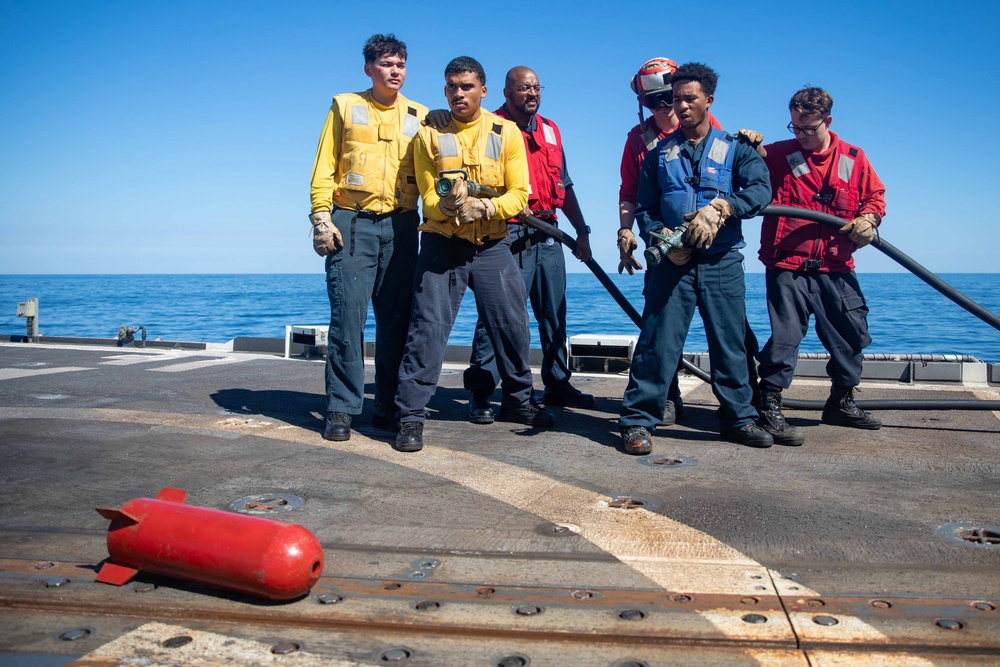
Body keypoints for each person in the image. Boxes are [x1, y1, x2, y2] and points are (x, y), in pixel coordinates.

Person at [393, 56, 555, 453]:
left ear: (482, 90)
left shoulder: (507, 132)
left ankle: (519, 402)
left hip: (494, 243)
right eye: (451, 86)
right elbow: (427, 195)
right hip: (442, 243)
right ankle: (410, 417)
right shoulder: (429, 132)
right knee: (428, 329)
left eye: (466, 86)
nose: (458, 93)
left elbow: (520, 192)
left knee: (512, 324)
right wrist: (444, 208)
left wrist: (485, 208)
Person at [619, 62, 773, 454]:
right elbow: (645, 209)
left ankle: (740, 417)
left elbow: (760, 191)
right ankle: (638, 422)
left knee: (730, 342)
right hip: (674, 264)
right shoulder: (658, 156)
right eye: (676, 99)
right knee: (657, 342)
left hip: (722, 262)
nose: (682, 106)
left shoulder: (737, 149)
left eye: (690, 98)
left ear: (709, 100)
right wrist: (663, 240)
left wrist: (724, 206)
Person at [308, 34, 428, 442]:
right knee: (348, 318)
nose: (395, 71)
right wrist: (321, 217)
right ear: (368, 68)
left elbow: (433, 174)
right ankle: (341, 409)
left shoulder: (421, 115)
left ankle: (387, 407)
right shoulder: (345, 105)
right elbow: (324, 164)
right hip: (352, 222)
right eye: (386, 64)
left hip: (402, 225)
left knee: (397, 322)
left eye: (401, 65)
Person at [462, 66, 595, 425]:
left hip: (549, 234)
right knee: (498, 316)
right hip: (507, 234)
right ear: (506, 93)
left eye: (536, 87)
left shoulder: (551, 130)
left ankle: (557, 383)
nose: (531, 94)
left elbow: (564, 185)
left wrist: (581, 230)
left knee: (554, 312)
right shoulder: (491, 128)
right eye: (523, 88)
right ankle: (481, 392)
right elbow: (478, 178)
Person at [755, 87, 886, 444]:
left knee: (850, 335)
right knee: (785, 338)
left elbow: (875, 196)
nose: (800, 135)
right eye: (795, 127)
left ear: (827, 121)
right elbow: (740, 171)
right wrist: (747, 146)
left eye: (808, 129)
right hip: (788, 266)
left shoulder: (854, 158)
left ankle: (840, 403)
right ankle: (768, 404)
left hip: (836, 265)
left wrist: (870, 218)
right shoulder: (777, 154)